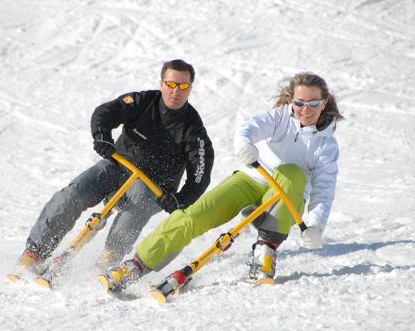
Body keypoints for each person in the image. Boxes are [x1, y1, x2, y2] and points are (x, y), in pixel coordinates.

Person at [101, 71, 344, 291]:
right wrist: (245, 144)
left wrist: (315, 225)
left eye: (313, 103)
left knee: (293, 173)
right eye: (299, 102)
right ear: (292, 101)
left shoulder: (326, 145)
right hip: (252, 180)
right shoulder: (279, 118)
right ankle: (138, 264)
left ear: (323, 103)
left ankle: (265, 251)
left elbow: (324, 190)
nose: (305, 109)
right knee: (194, 215)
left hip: (288, 196)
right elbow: (249, 128)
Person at [17, 59, 215, 274]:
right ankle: (35, 252)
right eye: (170, 84)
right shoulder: (142, 101)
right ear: (161, 83)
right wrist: (102, 137)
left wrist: (180, 199)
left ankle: (109, 257)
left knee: (137, 204)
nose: (175, 91)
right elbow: (106, 112)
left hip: (152, 185)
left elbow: (200, 172)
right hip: (118, 167)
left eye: (183, 86)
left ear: (190, 89)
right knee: (72, 194)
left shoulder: (193, 128)